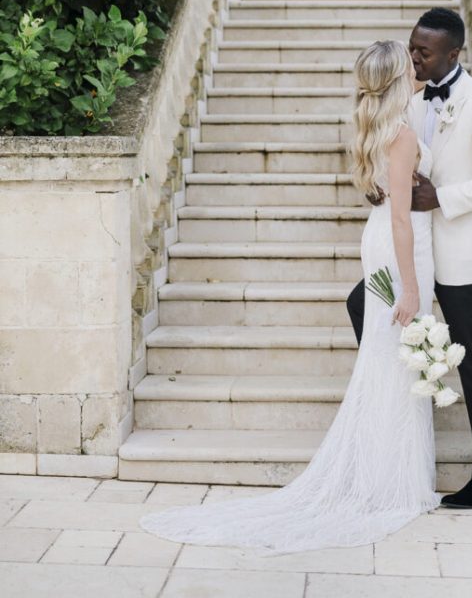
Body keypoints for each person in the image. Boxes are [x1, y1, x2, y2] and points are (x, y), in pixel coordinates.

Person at [139, 39, 440, 553]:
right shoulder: (403, 135)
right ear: (396, 81)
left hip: (381, 241)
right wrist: (410, 288)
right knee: (396, 358)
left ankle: (389, 471)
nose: (416, 67)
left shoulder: (378, 126)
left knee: (389, 358)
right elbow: (400, 216)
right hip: (399, 247)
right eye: (408, 64)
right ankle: (390, 481)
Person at [346, 7, 472, 509]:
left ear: (453, 54)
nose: (414, 58)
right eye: (412, 48)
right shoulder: (411, 94)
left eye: (423, 52)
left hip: (461, 251)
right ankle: (401, 411)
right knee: (361, 305)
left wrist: (442, 198)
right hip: (416, 252)